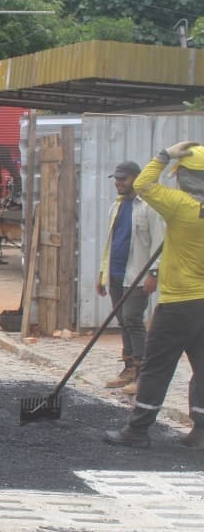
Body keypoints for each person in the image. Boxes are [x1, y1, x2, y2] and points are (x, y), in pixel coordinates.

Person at [105, 141, 204, 449]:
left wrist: (164, 156)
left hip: (179, 302)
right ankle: (201, 432)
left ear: (186, 177)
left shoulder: (181, 207)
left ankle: (137, 430)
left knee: (156, 366)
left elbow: (144, 183)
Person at [95, 161, 164, 397]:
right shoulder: (117, 206)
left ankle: (144, 374)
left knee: (133, 319)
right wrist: (103, 273)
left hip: (137, 274)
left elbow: (158, 243)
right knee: (123, 321)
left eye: (122, 179)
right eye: (116, 179)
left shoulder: (148, 207)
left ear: (136, 178)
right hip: (116, 273)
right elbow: (110, 243)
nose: (118, 183)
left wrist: (154, 273)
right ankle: (129, 368)